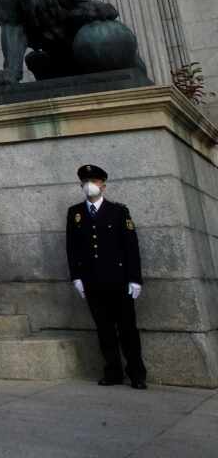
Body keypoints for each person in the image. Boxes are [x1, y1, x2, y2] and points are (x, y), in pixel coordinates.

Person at [66, 164, 147, 389]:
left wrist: (134, 278)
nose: (90, 185)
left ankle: (137, 373)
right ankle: (112, 371)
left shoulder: (119, 211)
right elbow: (71, 247)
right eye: (85, 181)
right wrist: (76, 277)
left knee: (127, 329)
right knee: (104, 329)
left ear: (103, 184)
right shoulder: (75, 213)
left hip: (119, 280)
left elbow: (131, 246)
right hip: (92, 281)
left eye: (95, 180)